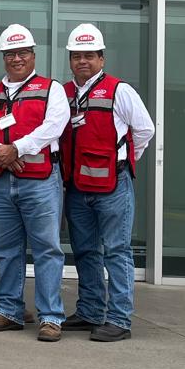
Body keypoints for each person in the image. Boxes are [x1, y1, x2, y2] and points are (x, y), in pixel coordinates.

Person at [0, 24, 69, 341]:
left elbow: (54, 125)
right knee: (5, 249)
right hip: (0, 182)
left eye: (22, 52)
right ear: (3, 57)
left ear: (33, 55)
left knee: (47, 249)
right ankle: (9, 311)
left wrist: (18, 148)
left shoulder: (51, 89)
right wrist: (0, 153)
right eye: (10, 54)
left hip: (40, 181)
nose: (16, 58)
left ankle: (50, 317)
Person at [59, 24, 155, 343]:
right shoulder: (63, 93)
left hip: (113, 186)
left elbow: (145, 130)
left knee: (116, 251)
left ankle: (118, 319)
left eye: (89, 55)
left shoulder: (119, 90)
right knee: (85, 251)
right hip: (77, 187)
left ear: (102, 58)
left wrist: (123, 160)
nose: (82, 61)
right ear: (70, 60)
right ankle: (89, 311)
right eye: (76, 56)